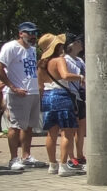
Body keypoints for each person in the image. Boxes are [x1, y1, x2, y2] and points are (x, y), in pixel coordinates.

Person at [0, 22, 41, 170]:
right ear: (21, 33)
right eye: (29, 33)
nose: (33, 36)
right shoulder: (11, 47)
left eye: (34, 33)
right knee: (15, 126)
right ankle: (13, 158)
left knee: (29, 127)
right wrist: (13, 87)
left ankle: (26, 156)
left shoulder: (32, 50)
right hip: (18, 94)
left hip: (33, 92)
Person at [38, 33, 81, 177]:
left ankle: (52, 164)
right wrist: (81, 77)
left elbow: (40, 86)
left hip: (47, 97)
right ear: (58, 46)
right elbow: (65, 76)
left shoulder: (41, 64)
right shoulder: (59, 60)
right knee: (66, 133)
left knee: (51, 133)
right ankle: (63, 165)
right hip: (61, 96)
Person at [66, 35, 88, 167]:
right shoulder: (66, 60)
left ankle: (80, 154)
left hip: (80, 96)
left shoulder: (80, 60)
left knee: (81, 128)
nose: (81, 44)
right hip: (70, 95)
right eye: (78, 42)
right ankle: (70, 156)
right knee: (70, 129)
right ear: (71, 45)